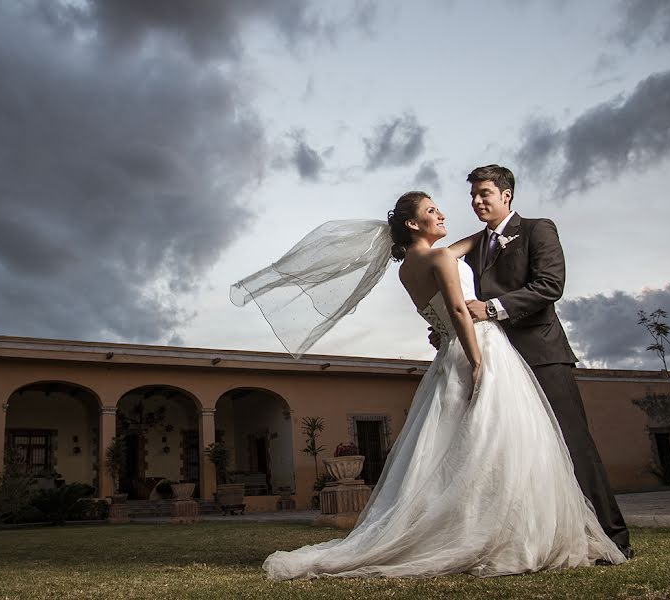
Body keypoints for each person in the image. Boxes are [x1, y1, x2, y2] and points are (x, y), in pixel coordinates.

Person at [239, 192, 626, 580]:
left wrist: (492, 229)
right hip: (479, 347)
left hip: (445, 359)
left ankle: (483, 527)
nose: (441, 214)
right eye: (431, 211)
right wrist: (478, 362)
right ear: (413, 223)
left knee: (461, 446)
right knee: (501, 440)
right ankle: (506, 531)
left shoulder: (409, 268)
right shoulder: (442, 259)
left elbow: (453, 267)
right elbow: (459, 311)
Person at [456, 164, 632, 559]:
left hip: (542, 355)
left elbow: (550, 284)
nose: (476, 201)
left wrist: (492, 308)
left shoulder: (537, 229)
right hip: (501, 364)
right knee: (514, 451)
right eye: (472, 195)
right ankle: (541, 538)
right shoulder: (474, 247)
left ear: (507, 195)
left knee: (574, 446)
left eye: (484, 193)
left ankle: (614, 538)